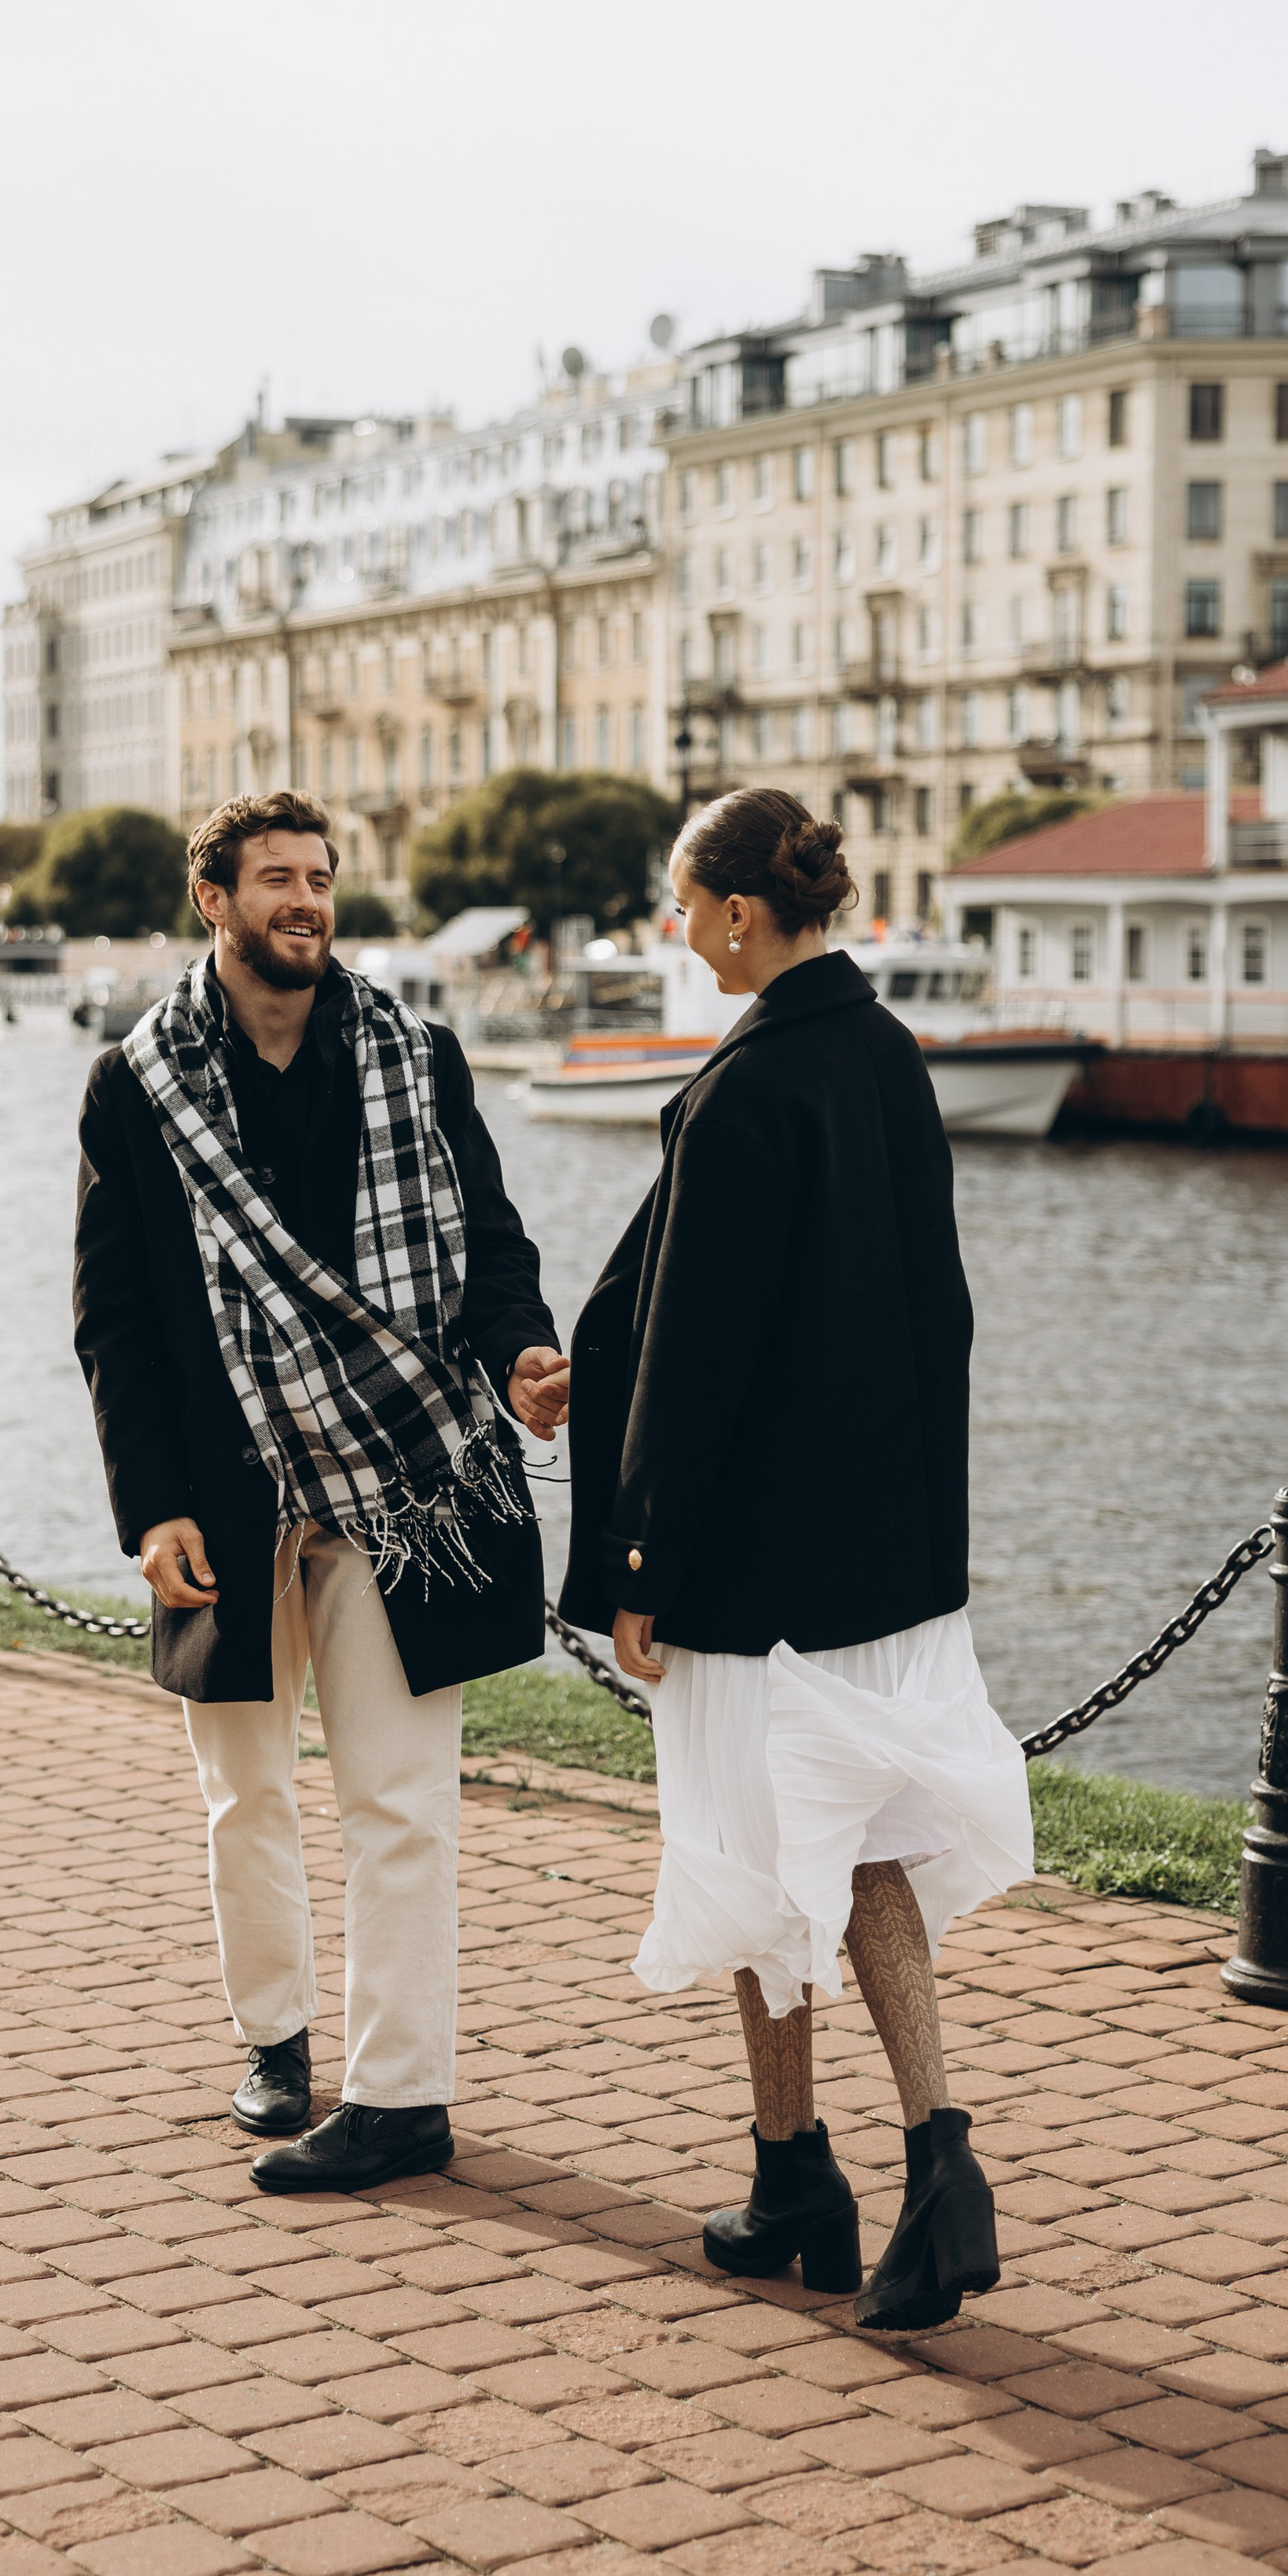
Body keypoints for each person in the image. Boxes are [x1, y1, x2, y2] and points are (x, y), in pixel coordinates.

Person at [560, 786, 1032, 2331]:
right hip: (880, 1547)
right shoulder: (881, 1056)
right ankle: (792, 2175)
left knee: (807, 1847)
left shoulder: (744, 1092)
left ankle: (927, 2157)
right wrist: (605, 1361)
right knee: (798, 1849)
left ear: (740, 915)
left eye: (680, 902)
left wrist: (637, 1558)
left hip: (758, 1566)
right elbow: (911, 1307)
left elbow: (705, 1357)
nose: (671, 926)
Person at [73, 789, 568, 2194]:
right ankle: (275, 2038)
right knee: (247, 1794)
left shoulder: (419, 1054)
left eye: (322, 877)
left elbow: (488, 1239)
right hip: (229, 1491)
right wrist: (151, 1504)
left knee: (402, 1800)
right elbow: (115, 1315)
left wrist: (522, 1349)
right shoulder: (139, 1082)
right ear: (214, 902)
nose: (306, 899)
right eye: (276, 878)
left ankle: (403, 2097)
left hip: (405, 1470)